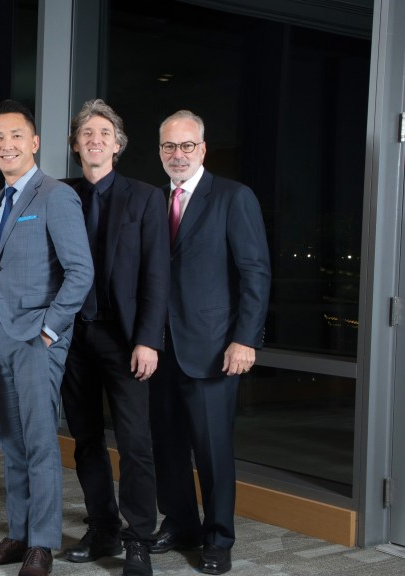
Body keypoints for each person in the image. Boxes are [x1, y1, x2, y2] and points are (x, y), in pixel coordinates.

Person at [0, 99, 93, 576]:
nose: (7, 144)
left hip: (39, 341)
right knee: (10, 442)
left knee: (39, 442)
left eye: (16, 135)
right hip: (3, 337)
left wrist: (49, 330)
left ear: (35, 142)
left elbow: (80, 272)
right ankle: (18, 535)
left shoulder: (55, 195)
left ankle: (42, 544)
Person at [149, 110, 271, 575]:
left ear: (202, 149)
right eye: (169, 146)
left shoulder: (233, 197)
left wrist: (245, 340)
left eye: (186, 146)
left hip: (215, 349)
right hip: (160, 349)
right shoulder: (154, 200)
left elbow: (255, 272)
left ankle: (219, 538)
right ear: (160, 151)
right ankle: (180, 523)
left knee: (213, 451)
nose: (177, 154)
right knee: (168, 446)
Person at [57, 100, 169, 576]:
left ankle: (138, 538)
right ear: (75, 145)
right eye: (87, 133)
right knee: (85, 439)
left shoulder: (145, 197)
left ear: (118, 145)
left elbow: (157, 274)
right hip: (73, 336)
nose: (95, 139)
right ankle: (102, 527)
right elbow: (4, 196)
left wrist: (148, 339)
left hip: (124, 340)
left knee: (135, 442)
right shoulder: (60, 194)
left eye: (104, 133)